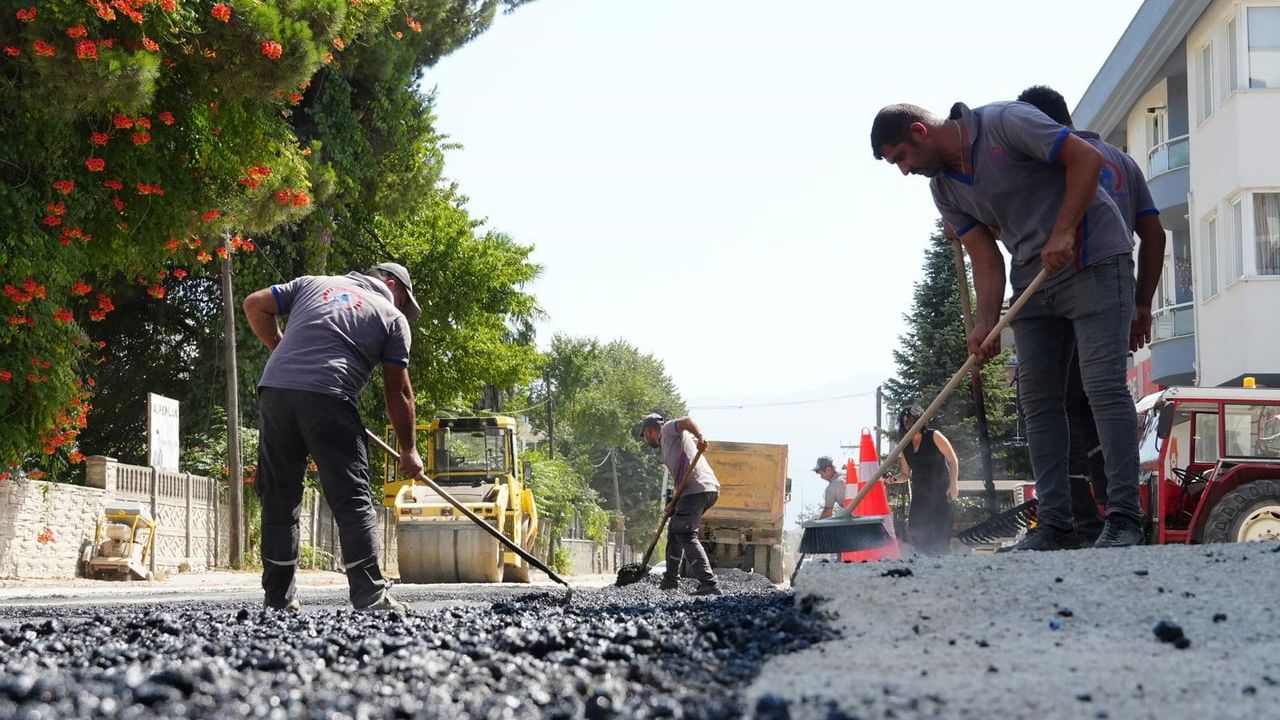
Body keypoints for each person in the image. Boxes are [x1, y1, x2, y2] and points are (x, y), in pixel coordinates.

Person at [871, 99, 1144, 550]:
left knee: (1103, 388)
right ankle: (1055, 524)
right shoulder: (944, 190)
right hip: (1034, 281)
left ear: (920, 131)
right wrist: (985, 323)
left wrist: (1064, 231)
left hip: (1094, 259)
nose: (903, 170)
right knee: (1037, 401)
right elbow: (984, 256)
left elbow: (1086, 158)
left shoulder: (1004, 123)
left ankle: (1123, 519)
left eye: (901, 157)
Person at [1016, 85, 1167, 545]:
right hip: (1111, 294)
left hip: (1072, 291)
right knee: (1102, 403)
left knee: (1065, 410)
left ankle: (1085, 521)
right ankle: (1114, 517)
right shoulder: (1122, 162)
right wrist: (1141, 305)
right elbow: (1153, 236)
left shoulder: (1047, 161)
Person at [242, 262, 425, 612]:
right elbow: (398, 391)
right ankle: (370, 595)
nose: (403, 307)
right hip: (331, 395)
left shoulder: (310, 283)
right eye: (404, 300)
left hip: (276, 392)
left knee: (280, 495)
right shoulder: (391, 316)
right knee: (352, 497)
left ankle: (278, 598)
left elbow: (254, 303)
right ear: (392, 285)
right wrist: (409, 450)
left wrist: (279, 347)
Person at [640, 413, 722, 596]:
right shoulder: (667, 448)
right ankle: (670, 581)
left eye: (645, 437)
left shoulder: (668, 430)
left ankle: (709, 583)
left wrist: (701, 437)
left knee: (685, 532)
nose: (646, 441)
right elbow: (680, 478)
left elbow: (687, 421)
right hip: (694, 490)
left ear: (649, 431)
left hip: (698, 488)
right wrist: (673, 504)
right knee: (674, 532)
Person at [894, 405, 960, 555]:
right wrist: (892, 479)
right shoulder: (905, 446)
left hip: (941, 493)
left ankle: (941, 568)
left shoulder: (934, 436)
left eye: (910, 421)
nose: (908, 425)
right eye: (905, 423)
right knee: (918, 532)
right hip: (920, 497)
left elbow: (953, 459)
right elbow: (905, 474)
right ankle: (923, 567)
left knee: (940, 537)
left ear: (919, 420)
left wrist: (953, 484)